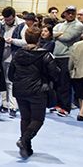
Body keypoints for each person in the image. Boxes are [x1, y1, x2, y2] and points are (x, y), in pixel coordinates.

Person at [9, 27, 60, 158]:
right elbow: (55, 74)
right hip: (38, 91)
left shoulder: (17, 54)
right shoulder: (45, 55)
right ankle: (24, 140)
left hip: (20, 90)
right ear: (39, 39)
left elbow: (10, 75)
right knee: (37, 119)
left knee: (25, 118)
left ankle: (26, 147)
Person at [52, 5, 83, 116]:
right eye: (68, 12)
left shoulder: (78, 25)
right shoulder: (60, 25)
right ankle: (57, 105)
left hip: (68, 56)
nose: (70, 14)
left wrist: (58, 35)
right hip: (56, 56)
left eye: (73, 12)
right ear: (64, 13)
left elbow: (68, 37)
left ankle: (65, 107)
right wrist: (58, 34)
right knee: (56, 82)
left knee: (64, 83)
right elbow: (51, 34)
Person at [0, 6, 23, 118]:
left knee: (11, 82)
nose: (7, 22)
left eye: (9, 20)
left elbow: (26, 42)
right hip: (1, 56)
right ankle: (4, 104)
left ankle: (13, 106)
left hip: (14, 57)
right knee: (2, 82)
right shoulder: (1, 24)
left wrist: (13, 41)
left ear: (14, 16)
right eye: (5, 19)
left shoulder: (22, 25)